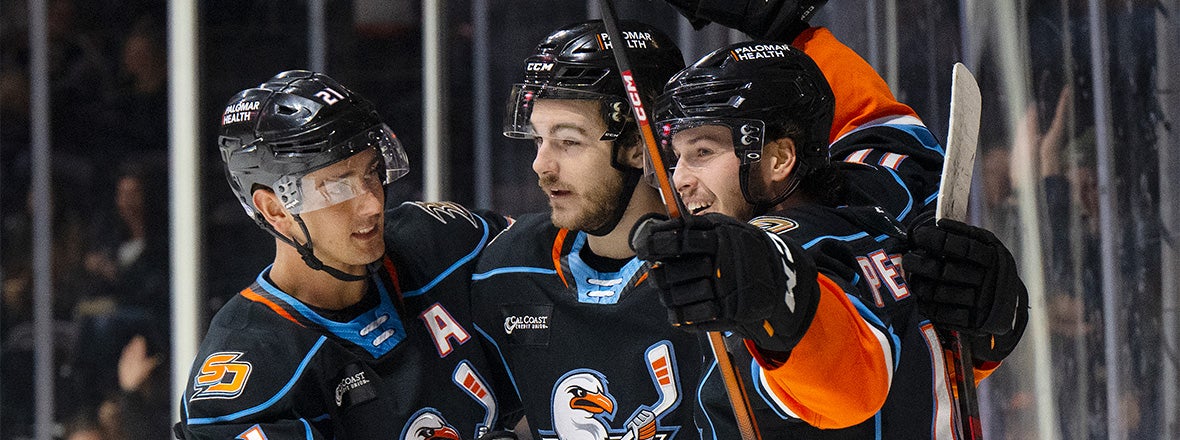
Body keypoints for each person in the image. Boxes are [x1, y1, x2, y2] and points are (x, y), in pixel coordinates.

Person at [632, 36, 1028, 438]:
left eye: (702, 152)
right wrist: (799, 34)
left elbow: (851, 388)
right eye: (676, 157)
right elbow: (873, 124)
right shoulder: (885, 194)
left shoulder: (767, 259)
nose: (679, 179)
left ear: (779, 158)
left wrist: (779, 298)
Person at [177, 70, 519, 439]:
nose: (372, 204)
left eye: (372, 173)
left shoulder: (439, 240)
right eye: (337, 186)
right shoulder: (250, 366)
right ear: (276, 210)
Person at [470, 20, 712, 440]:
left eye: (568, 142)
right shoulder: (507, 269)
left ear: (639, 145)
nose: (541, 166)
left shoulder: (720, 270)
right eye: (537, 139)